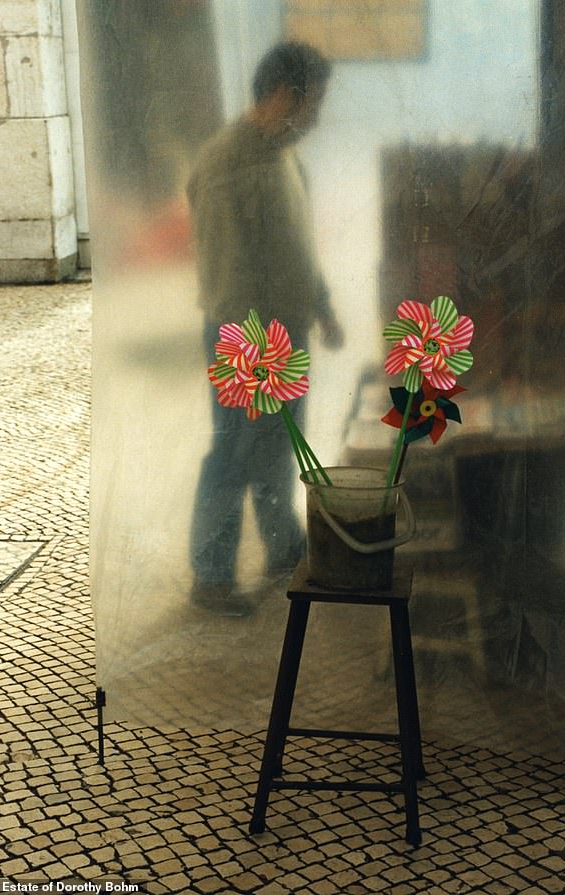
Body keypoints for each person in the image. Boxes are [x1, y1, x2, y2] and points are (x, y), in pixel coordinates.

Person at [187, 41, 343, 615]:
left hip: (284, 332)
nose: (317, 119)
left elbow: (296, 247)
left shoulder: (283, 155)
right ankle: (210, 575)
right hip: (245, 336)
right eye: (315, 104)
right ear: (285, 96)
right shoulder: (227, 161)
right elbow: (228, 270)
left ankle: (284, 549)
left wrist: (321, 305)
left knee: (279, 448)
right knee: (233, 450)